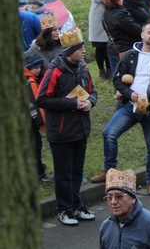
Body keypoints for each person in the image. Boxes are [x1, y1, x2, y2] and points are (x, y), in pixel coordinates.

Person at [91, 21, 150, 196]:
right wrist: (129, 93)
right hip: (130, 106)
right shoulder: (130, 55)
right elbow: (116, 79)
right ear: (142, 35)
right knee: (109, 134)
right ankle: (109, 170)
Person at [36, 28, 98, 226]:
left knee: (77, 171)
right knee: (63, 174)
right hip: (61, 132)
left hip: (81, 129)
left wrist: (91, 102)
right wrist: (73, 104)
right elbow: (42, 99)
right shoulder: (54, 71)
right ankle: (64, 210)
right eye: (80, 49)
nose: (84, 52)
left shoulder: (83, 69)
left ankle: (77, 206)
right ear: (70, 51)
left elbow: (92, 91)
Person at [99, 168, 150, 248]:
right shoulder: (106, 227)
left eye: (119, 196)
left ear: (133, 198)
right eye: (109, 197)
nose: (113, 202)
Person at [24, 51, 52, 182]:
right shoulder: (30, 83)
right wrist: (42, 122)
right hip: (29, 123)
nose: (38, 70)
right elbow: (36, 104)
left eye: (40, 67)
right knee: (35, 146)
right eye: (35, 68)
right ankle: (39, 173)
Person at [88, 0, 115, 80]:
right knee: (100, 46)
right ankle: (101, 70)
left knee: (108, 44)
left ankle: (110, 69)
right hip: (99, 14)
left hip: (109, 13)